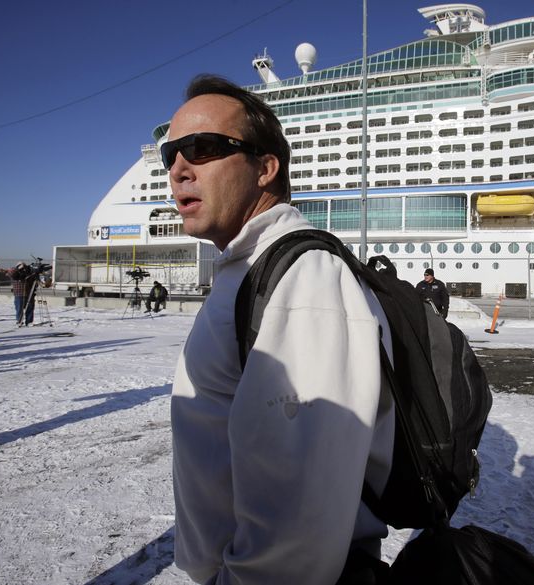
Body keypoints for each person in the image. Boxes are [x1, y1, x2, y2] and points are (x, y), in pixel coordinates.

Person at [167, 74, 394, 585]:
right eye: (170, 153)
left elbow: (298, 521)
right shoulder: (248, 269)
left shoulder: (303, 278)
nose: (178, 168)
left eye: (201, 148)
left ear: (265, 168)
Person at [10, 262, 37, 326]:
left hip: (29, 293)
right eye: (22, 267)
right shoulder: (14, 272)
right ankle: (19, 321)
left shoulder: (28, 273)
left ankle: (29, 321)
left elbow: (33, 281)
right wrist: (19, 270)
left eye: (25, 267)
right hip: (19, 293)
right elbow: (13, 275)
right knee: (19, 309)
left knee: (30, 308)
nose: (24, 268)